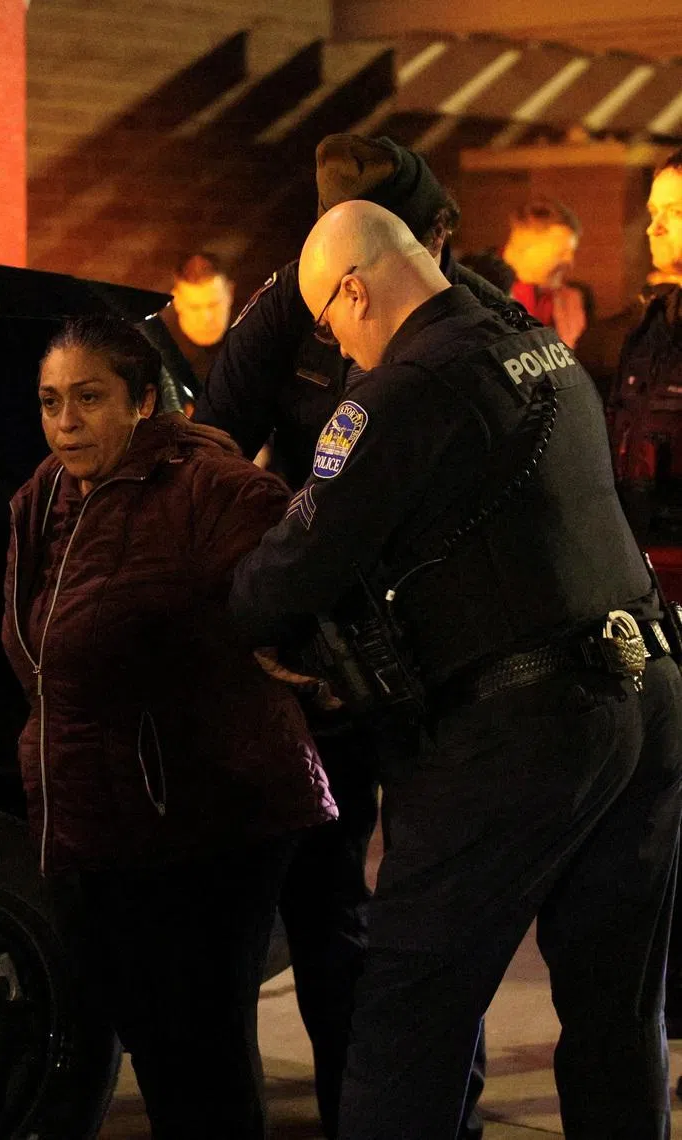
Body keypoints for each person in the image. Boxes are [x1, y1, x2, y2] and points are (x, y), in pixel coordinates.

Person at [230, 199, 682, 1139]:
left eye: (329, 323)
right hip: (648, 696)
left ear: (354, 290)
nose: (340, 351)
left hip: (522, 733)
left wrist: (226, 599)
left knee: (407, 1018)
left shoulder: (403, 392)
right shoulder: (538, 351)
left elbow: (287, 576)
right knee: (615, 1017)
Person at [195, 131, 509, 1139]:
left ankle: (439, 1112)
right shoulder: (296, 307)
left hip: (439, 658)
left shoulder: (475, 326)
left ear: (434, 241)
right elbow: (213, 438)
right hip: (324, 658)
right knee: (332, 916)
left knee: (436, 916)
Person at [1, 315, 336, 1139]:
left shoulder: (205, 484)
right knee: (148, 1044)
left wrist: (293, 657)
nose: (66, 421)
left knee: (203, 1054)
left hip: (211, 817)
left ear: (144, 400)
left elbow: (302, 585)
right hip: (95, 817)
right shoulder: (43, 496)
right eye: (50, 402)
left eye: (89, 399)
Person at [608, 148, 682, 547]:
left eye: (676, 213)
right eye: (655, 212)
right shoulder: (650, 322)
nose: (654, 228)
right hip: (644, 555)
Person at [501, 197, 588, 349]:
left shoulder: (571, 301)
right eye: (562, 253)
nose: (570, 263)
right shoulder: (486, 302)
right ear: (527, 247)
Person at [159, 251, 235, 394]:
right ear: (177, 301)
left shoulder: (261, 339)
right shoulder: (156, 356)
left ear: (230, 293)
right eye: (194, 307)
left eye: (214, 305)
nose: (206, 318)